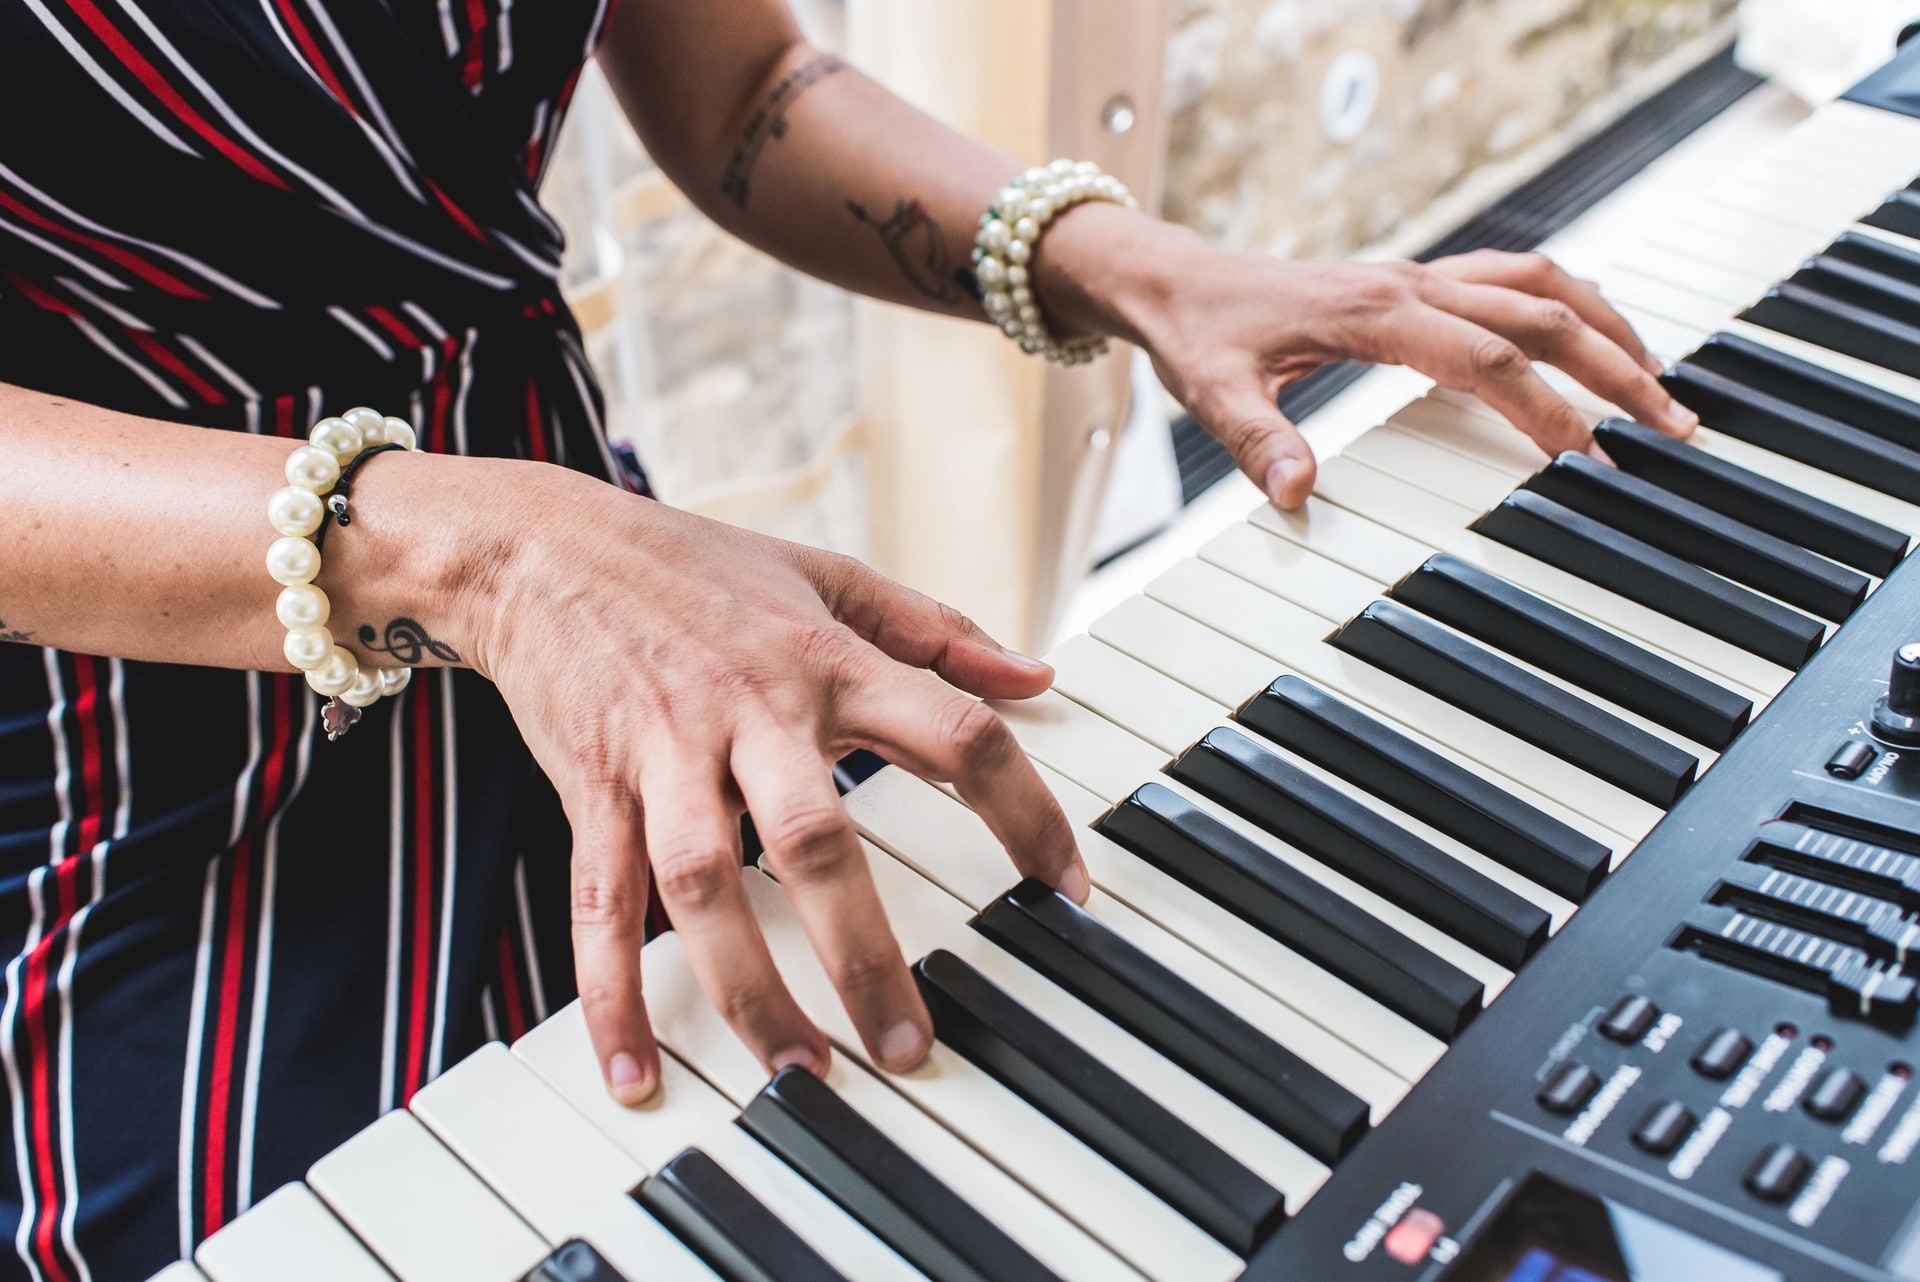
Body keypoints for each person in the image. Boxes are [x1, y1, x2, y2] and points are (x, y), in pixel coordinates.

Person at [0, 0, 1698, 1274]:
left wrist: (1130, 260)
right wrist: (483, 550)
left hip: (613, 618)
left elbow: (742, 90)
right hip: (172, 754)